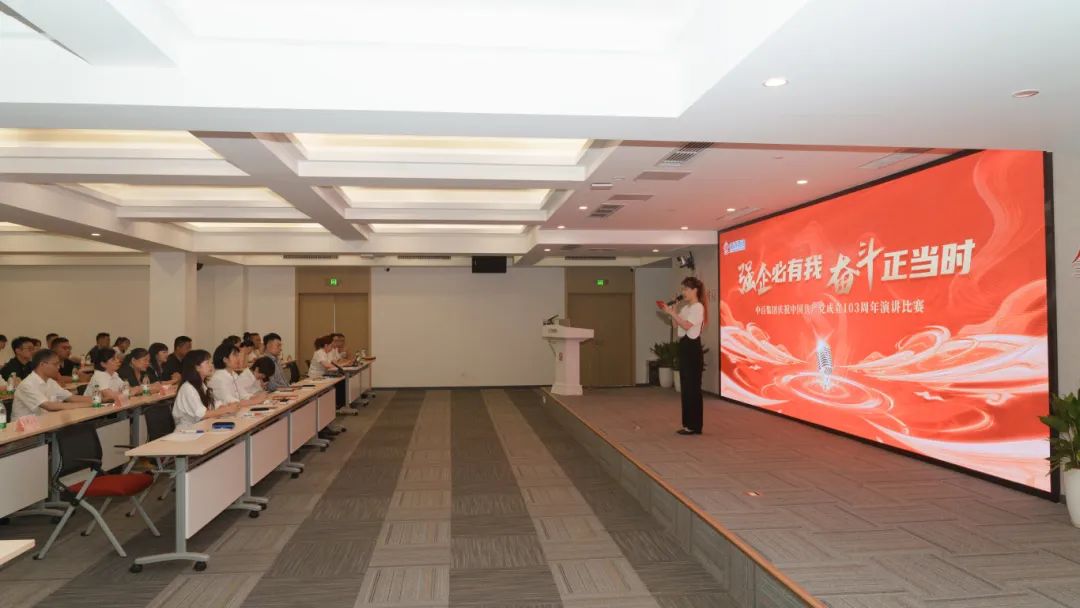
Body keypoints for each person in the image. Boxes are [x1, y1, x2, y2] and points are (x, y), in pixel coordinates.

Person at [660, 276, 708, 436]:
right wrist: (673, 311)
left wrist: (672, 314)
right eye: (683, 289)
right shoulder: (686, 308)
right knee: (686, 387)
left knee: (693, 387)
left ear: (695, 290)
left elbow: (687, 326)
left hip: (692, 348)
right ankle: (688, 424)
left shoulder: (698, 307)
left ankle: (695, 425)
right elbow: (676, 325)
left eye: (686, 289)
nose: (683, 292)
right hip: (684, 346)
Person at [11, 349, 94, 418]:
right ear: (42, 364)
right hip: (25, 429)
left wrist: (97, 400)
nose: (58, 367)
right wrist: (88, 404)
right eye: (55, 364)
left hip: (46, 422)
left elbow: (71, 397)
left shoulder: (50, 382)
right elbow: (49, 406)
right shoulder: (27, 385)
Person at [173, 349, 240, 427]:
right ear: (197, 367)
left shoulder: (202, 385)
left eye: (210, 362)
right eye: (207, 362)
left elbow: (213, 404)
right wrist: (226, 410)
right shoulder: (188, 388)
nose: (211, 365)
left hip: (202, 425)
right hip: (187, 429)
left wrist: (225, 406)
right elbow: (202, 414)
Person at [207, 342, 267, 408]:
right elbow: (231, 402)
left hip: (237, 410)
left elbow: (243, 395)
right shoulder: (218, 379)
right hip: (228, 412)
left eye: (238, 355)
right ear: (225, 360)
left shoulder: (234, 374)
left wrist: (261, 397)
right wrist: (256, 401)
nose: (238, 358)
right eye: (235, 355)